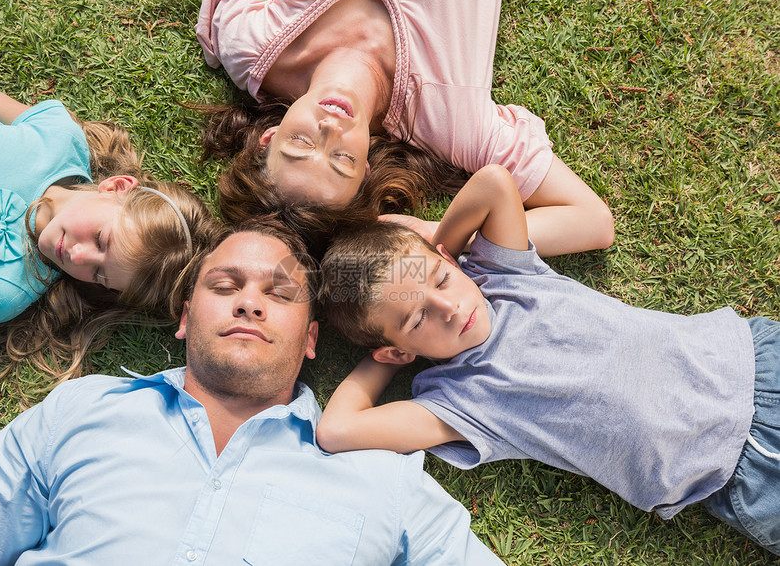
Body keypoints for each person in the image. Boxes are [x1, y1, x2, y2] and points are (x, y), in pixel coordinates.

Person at [0, 217, 505, 565]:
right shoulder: (81, 412)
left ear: (311, 340)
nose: (250, 302)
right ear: (183, 318)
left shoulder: (382, 475)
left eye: (280, 295)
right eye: (226, 285)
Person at [316, 164, 780, 555]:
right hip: (734, 467)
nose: (450, 308)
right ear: (398, 348)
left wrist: (443, 248)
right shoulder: (458, 403)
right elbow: (337, 430)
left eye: (440, 282)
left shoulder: (502, 274)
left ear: (450, 262)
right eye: (418, 319)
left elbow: (494, 182)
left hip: (750, 361)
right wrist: (394, 357)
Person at [193, 0, 614, 257]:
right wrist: (441, 234)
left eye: (300, 142)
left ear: (268, 138)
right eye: (341, 158)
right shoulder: (449, 120)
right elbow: (592, 221)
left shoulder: (251, 45)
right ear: (366, 173)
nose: (330, 128)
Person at [0, 51, 215, 381]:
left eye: (99, 274)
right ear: (117, 186)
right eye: (101, 239)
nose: (77, 256)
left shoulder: (3, 290)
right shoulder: (58, 139)